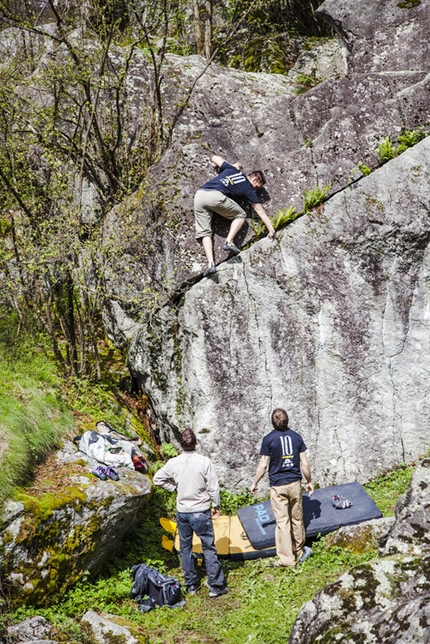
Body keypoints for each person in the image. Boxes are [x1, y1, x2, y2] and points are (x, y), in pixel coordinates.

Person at [153, 428, 228, 597]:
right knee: (208, 546)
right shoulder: (204, 462)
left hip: (182, 511)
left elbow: (157, 479)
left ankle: (191, 585)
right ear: (196, 443)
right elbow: (213, 487)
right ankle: (215, 585)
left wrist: (174, 488)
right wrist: (215, 505)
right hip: (200, 510)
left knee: (185, 547)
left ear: (180, 444)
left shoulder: (173, 463)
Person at [250, 408, 314, 568]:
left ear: (272, 422)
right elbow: (304, 463)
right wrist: (309, 481)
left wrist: (255, 482)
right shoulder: (296, 437)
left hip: (278, 486)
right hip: (294, 483)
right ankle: (299, 551)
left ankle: (287, 559)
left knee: (283, 522)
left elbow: (263, 465)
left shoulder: (268, 439)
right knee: (297, 518)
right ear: (288, 421)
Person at [194, 155, 277, 276]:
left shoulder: (232, 170)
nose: (255, 190)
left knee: (205, 233)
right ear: (254, 180)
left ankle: (211, 264)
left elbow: (214, 158)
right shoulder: (248, 188)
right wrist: (271, 228)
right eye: (257, 187)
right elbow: (259, 210)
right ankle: (229, 242)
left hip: (199, 196)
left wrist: (232, 165)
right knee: (241, 215)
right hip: (215, 196)